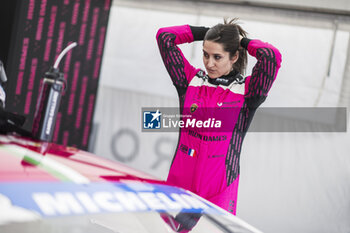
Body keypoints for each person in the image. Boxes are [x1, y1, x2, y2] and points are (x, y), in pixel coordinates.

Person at [156, 19, 282, 215]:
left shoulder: (248, 91)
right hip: (179, 184)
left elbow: (270, 57)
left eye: (217, 57)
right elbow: (165, 37)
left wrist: (242, 41)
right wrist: (207, 33)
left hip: (218, 192)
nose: (209, 63)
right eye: (205, 55)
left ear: (234, 57)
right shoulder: (189, 81)